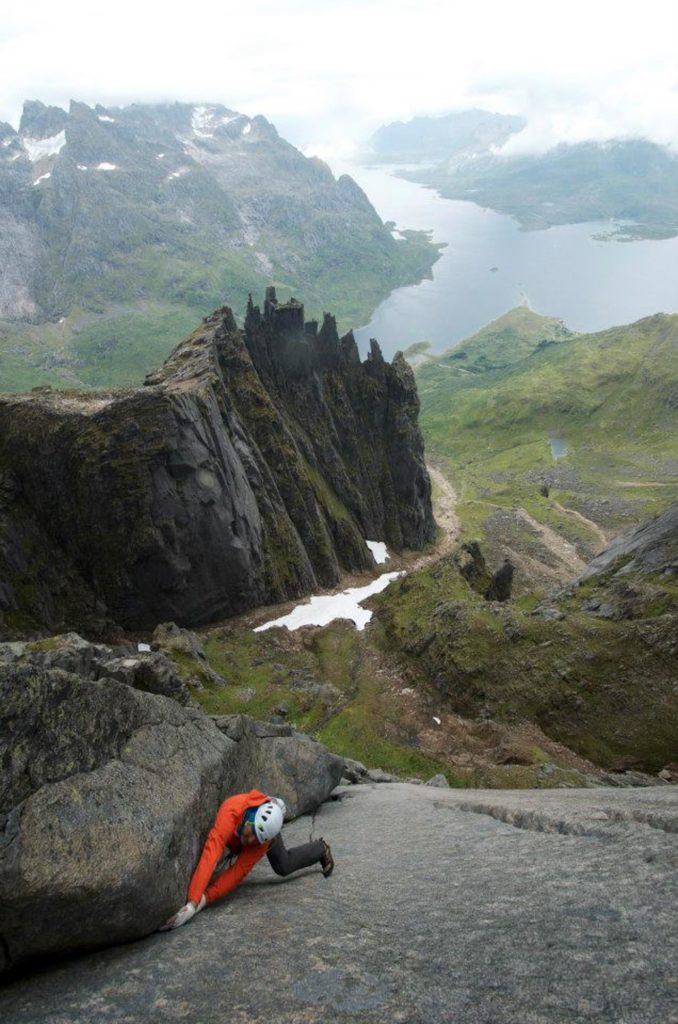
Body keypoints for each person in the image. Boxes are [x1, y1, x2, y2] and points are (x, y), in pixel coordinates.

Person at [160, 788, 334, 930]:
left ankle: (320, 848)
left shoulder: (262, 840)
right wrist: (194, 900)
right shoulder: (231, 810)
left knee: (283, 866)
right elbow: (212, 851)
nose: (250, 841)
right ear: (249, 818)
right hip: (260, 820)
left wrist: (200, 903)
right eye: (252, 835)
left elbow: (237, 872)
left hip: (268, 828)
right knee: (230, 847)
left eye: (255, 840)